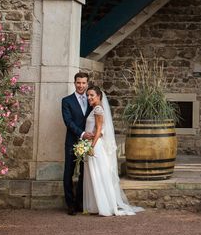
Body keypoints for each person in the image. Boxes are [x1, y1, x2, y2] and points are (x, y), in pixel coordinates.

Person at [83, 85, 143, 216]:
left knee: (98, 175)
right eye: (88, 95)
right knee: (94, 175)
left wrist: (91, 146)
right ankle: (97, 205)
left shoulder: (98, 109)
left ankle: (104, 206)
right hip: (92, 143)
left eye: (92, 95)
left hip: (95, 146)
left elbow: (99, 129)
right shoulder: (95, 109)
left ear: (99, 96)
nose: (89, 97)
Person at [61, 72, 93, 215]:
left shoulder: (91, 99)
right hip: (72, 141)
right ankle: (70, 204)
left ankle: (80, 202)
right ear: (74, 83)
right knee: (68, 173)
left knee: (84, 174)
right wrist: (82, 134)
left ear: (87, 84)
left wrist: (90, 136)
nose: (81, 85)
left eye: (83, 83)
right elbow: (68, 122)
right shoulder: (66, 101)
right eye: (78, 83)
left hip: (88, 143)